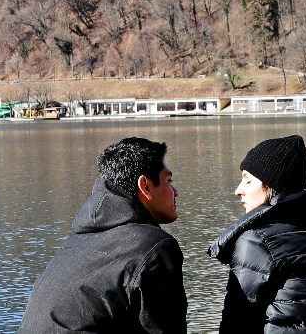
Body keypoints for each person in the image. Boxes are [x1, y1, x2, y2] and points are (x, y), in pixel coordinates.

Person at [20, 137, 187, 333]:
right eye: (169, 181)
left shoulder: (77, 241)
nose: (176, 191)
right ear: (146, 186)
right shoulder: (153, 246)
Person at [209, 135, 306, 333]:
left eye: (247, 181)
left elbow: (237, 324)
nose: (238, 190)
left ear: (270, 185)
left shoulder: (257, 241)